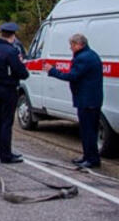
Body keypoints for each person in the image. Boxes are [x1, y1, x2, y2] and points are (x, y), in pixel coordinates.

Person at [44, 34, 104, 168]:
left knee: (87, 130)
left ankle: (92, 158)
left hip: (87, 100)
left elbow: (72, 76)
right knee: (88, 129)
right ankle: (88, 155)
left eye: (72, 45)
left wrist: (53, 71)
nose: (70, 48)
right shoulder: (90, 55)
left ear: (79, 44)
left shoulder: (83, 58)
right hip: (91, 99)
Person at [0, 22, 29, 164]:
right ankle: (6, 154)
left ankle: (2, 150)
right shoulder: (11, 51)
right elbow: (22, 72)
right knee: (7, 122)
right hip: (8, 88)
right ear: (12, 36)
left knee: (0, 120)